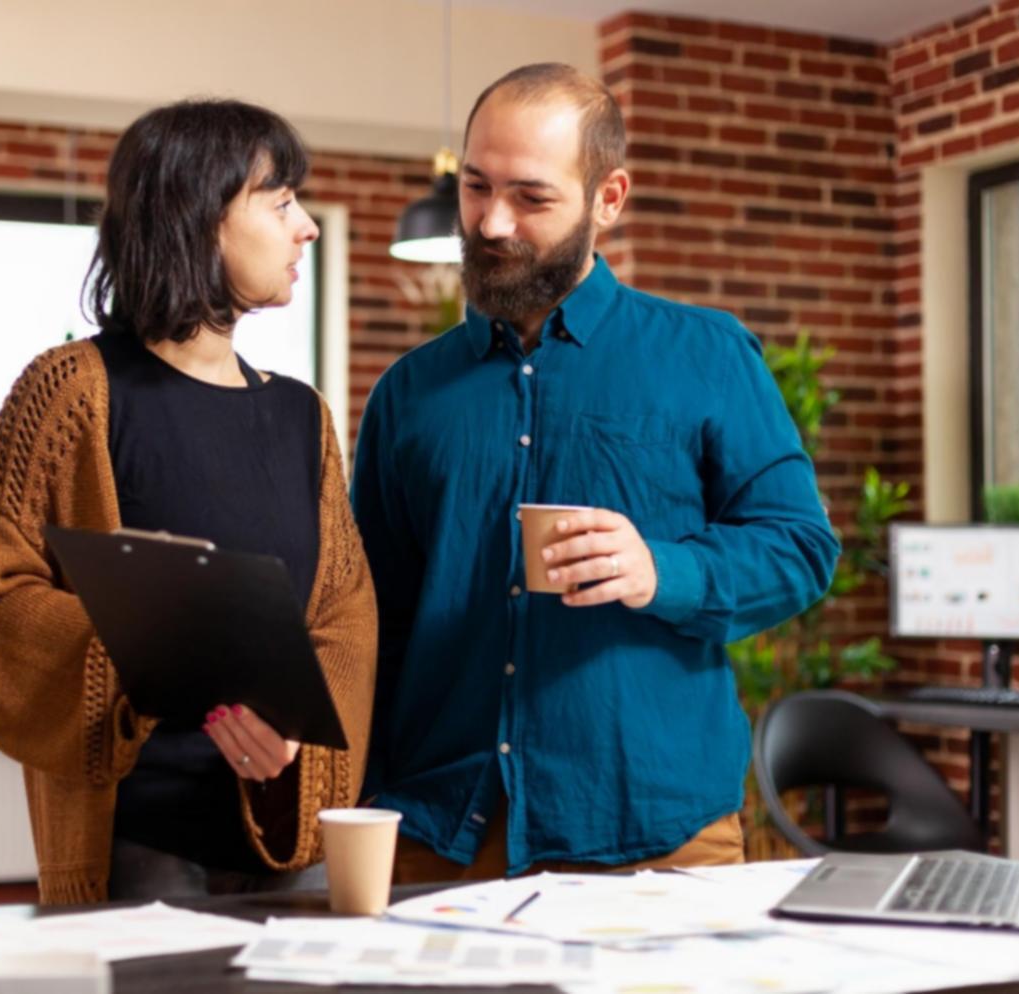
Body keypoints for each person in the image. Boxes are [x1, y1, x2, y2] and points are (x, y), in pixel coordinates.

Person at [351, 63, 839, 882]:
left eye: (531, 198)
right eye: (476, 187)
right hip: (436, 830)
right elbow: (371, 617)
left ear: (608, 198)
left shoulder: (709, 354)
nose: (492, 221)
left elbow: (799, 547)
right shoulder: (409, 391)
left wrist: (663, 569)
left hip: (655, 826)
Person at [0, 99, 377, 904]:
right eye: (282, 203)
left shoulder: (301, 416)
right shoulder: (71, 391)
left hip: (289, 844)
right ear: (200, 217)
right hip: (134, 853)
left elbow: (344, 612)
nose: (307, 227)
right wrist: (145, 648)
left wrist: (295, 737)